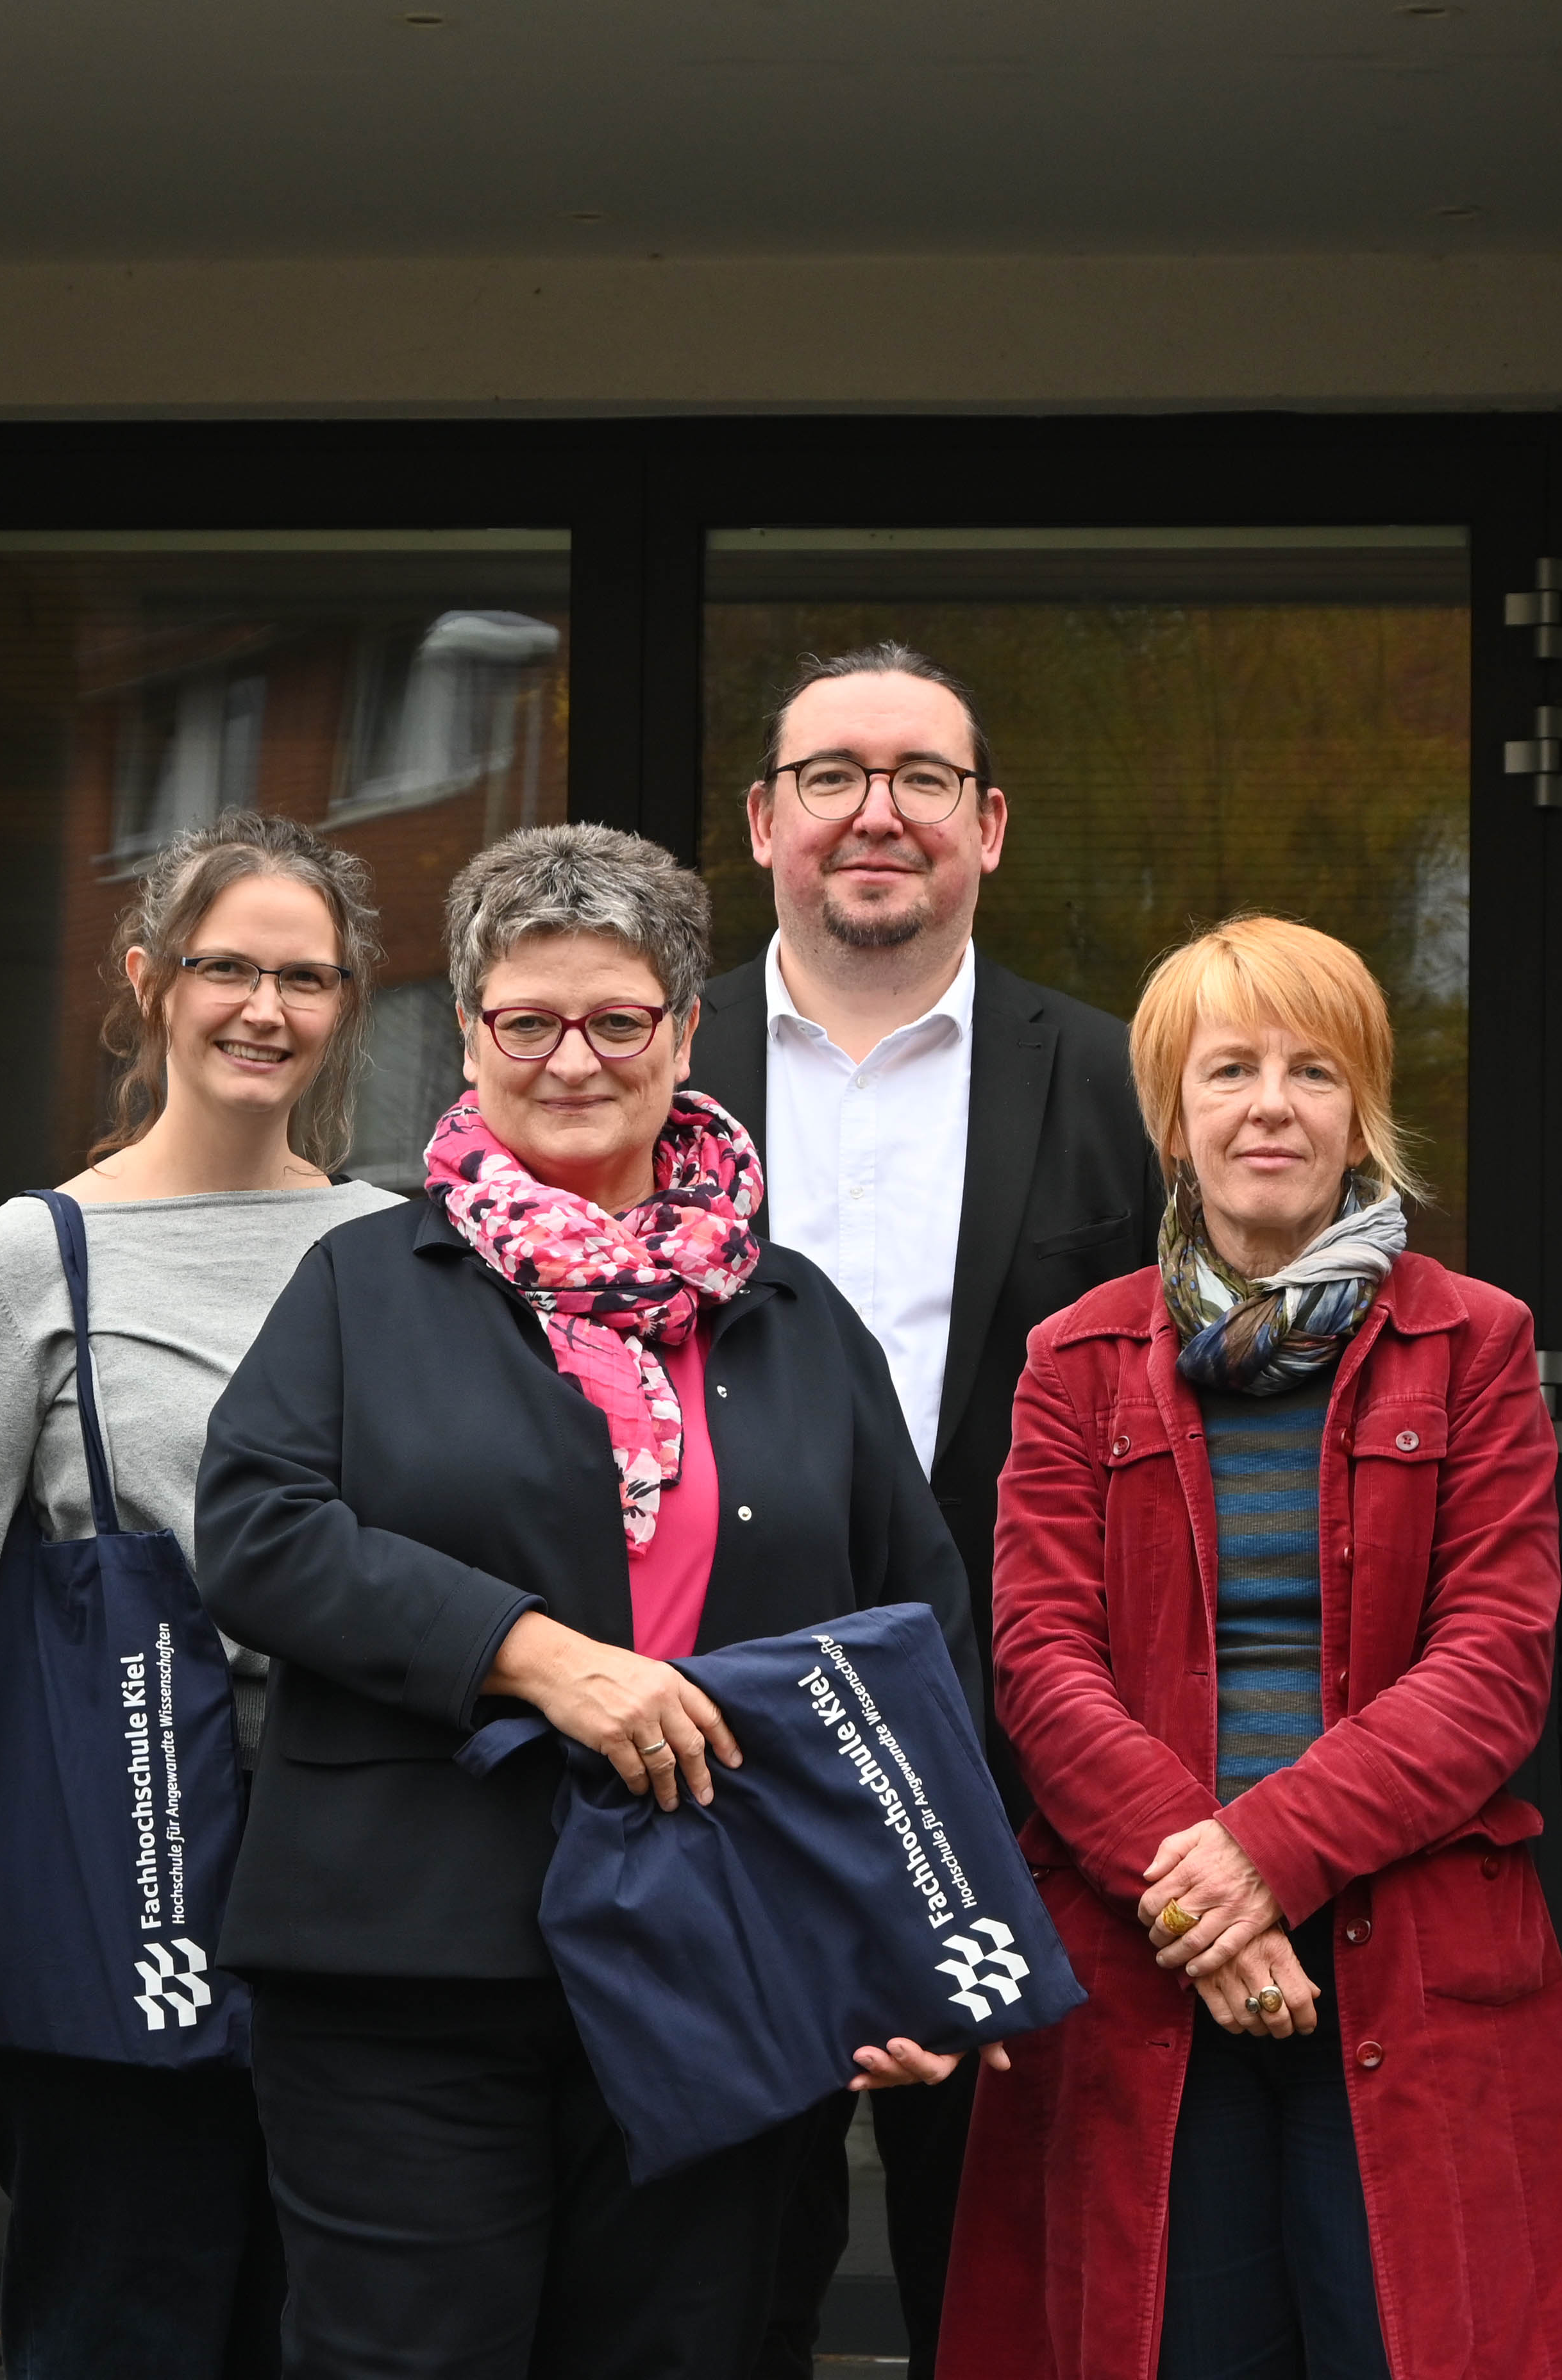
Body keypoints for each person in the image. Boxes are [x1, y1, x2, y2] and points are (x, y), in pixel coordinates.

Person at [194, 822, 983, 2380]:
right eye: (527, 1019)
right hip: (405, 1969)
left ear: (685, 1031)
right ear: (471, 1031)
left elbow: (919, 1629)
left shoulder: (795, 1312)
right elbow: (257, 1529)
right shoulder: (364, 1281)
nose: (573, 1057)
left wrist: (910, 1938)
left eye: (618, 1018)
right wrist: (533, 1654)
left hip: (729, 1960)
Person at [944, 913, 1562, 2380]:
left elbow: (1496, 1661)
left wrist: (1265, 1858)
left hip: (1416, 1966)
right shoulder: (1077, 1355)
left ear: (1361, 1108)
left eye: (1315, 1070)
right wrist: (1209, 1901)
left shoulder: (1477, 1342)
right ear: (1170, 1120)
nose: (1272, 1102)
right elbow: (1041, 1662)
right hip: (1148, 1960)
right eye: (1229, 1068)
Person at [685, 641, 1161, 2379]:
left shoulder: (1114, 1085)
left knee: (1014, 2279)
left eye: (922, 780)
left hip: (1015, 1756)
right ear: (764, 823)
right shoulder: (649, 1075)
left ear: (993, 825)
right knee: (718, 2273)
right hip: (706, 1750)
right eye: (831, 777)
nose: (875, 815)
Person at [0, 809, 398, 2378]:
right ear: (147, 981)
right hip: (106, 1848)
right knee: (117, 2307)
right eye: (227, 968)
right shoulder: (25, 1258)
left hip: (357, 1850)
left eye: (307, 977)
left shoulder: (399, 1252)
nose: (266, 1007)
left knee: (324, 2317)